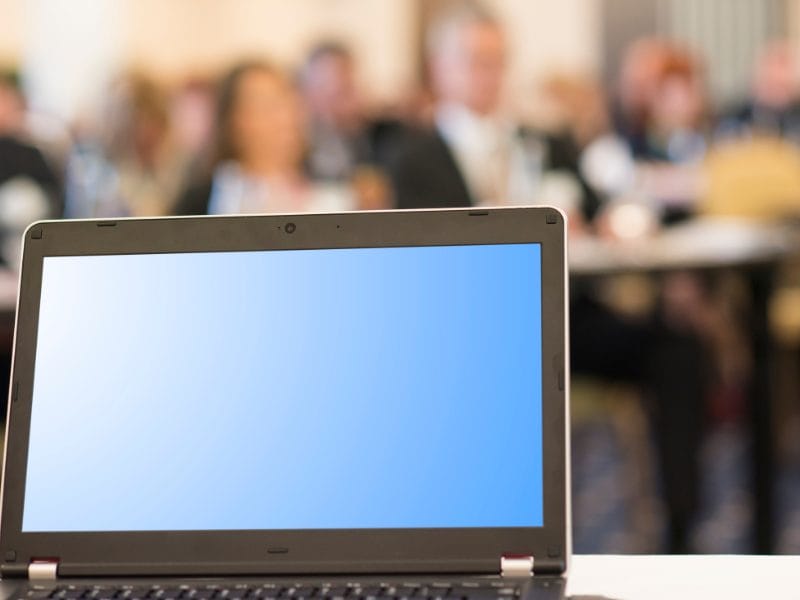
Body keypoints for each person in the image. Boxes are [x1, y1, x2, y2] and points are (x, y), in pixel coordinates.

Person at [385, 2, 596, 219]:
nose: (489, 73)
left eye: (498, 60)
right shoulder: (410, 157)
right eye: (475, 60)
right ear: (439, 67)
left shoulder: (547, 141)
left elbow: (593, 210)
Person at [175, 60, 355, 215]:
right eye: (265, 105)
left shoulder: (329, 187)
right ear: (232, 121)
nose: (283, 116)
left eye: (286, 100)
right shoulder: (202, 200)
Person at [65, 72, 185, 217]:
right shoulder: (92, 170)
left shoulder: (180, 166)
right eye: (137, 122)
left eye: (151, 122)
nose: (145, 132)